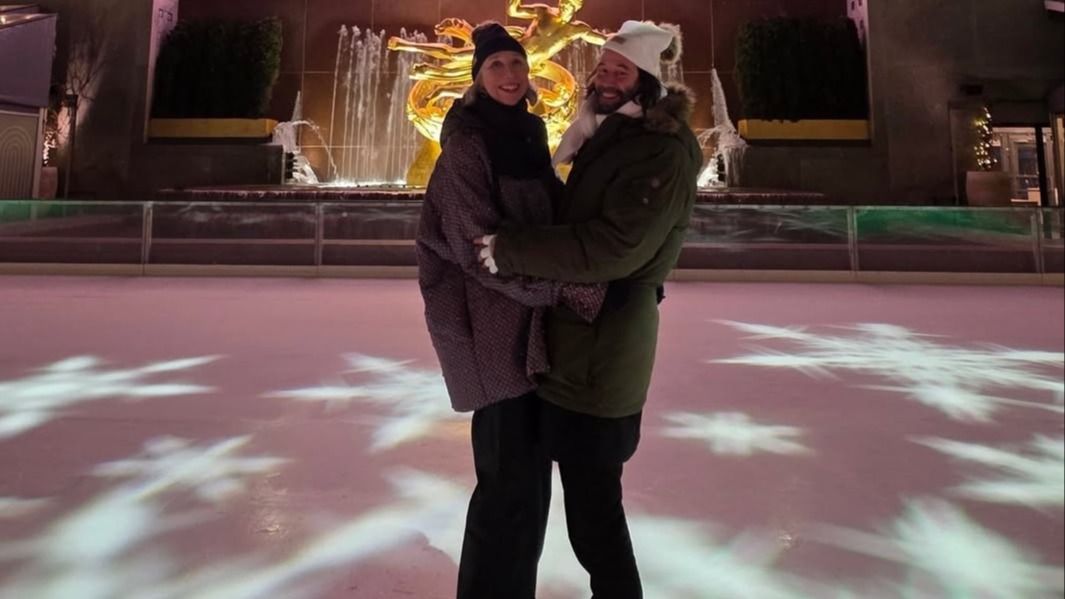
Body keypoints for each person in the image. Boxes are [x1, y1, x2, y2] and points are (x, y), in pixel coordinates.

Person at [476, 20, 702, 598]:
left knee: (595, 516)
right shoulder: (611, 135)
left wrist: (512, 249)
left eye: (620, 70)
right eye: (602, 67)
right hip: (577, 345)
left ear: (646, 81)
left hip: (605, 352)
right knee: (587, 510)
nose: (605, 78)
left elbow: (614, 246)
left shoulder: (660, 148)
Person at [415, 22, 604, 599]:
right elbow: (478, 248)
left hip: (529, 328)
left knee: (530, 483)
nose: (510, 74)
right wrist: (561, 290)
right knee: (506, 484)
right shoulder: (467, 145)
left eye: (517, 64)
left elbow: (547, 218)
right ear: (477, 79)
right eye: (496, 65)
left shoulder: (527, 132)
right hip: (487, 329)